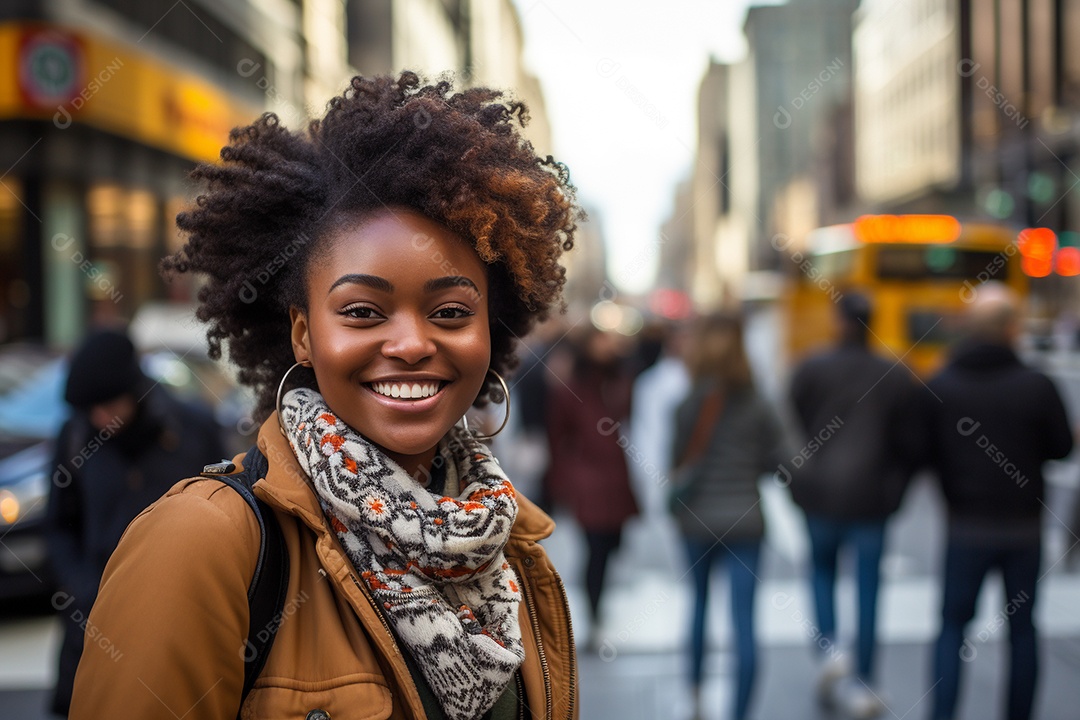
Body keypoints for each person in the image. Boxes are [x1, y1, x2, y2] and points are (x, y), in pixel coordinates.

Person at [70, 72, 581, 719]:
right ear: (304, 334)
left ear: (490, 330)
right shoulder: (202, 546)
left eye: (450, 311)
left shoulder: (507, 545)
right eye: (364, 312)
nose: (411, 343)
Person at [46, 327, 225, 716]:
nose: (99, 417)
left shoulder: (194, 431)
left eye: (107, 405)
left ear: (134, 390)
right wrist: (82, 591)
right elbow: (60, 524)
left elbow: (228, 521)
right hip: (92, 628)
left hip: (176, 623)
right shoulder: (75, 435)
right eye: (89, 409)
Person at [920, 283, 1073, 720]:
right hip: (1023, 527)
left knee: (952, 628)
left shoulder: (943, 385)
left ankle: (942, 712)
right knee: (1023, 631)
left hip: (965, 525)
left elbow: (921, 450)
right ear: (1011, 328)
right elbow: (1061, 447)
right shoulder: (1036, 385)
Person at [786, 292, 917, 717]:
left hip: (819, 494)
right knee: (868, 589)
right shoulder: (893, 373)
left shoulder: (811, 368)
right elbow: (908, 443)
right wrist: (896, 489)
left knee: (821, 573)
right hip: (872, 499)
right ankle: (864, 681)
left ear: (839, 320)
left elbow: (793, 425)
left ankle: (829, 650)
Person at [668, 312, 785, 720]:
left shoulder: (687, 403)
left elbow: (675, 464)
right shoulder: (759, 403)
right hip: (745, 521)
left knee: (698, 606)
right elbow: (788, 458)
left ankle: (696, 695)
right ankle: (740, 712)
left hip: (695, 521)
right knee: (744, 623)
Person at [544, 326, 638, 648]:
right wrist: (562, 482)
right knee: (596, 549)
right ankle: (594, 613)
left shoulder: (618, 383)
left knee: (612, 546)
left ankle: (597, 608)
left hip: (615, 479)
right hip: (589, 482)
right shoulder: (571, 389)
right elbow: (558, 439)